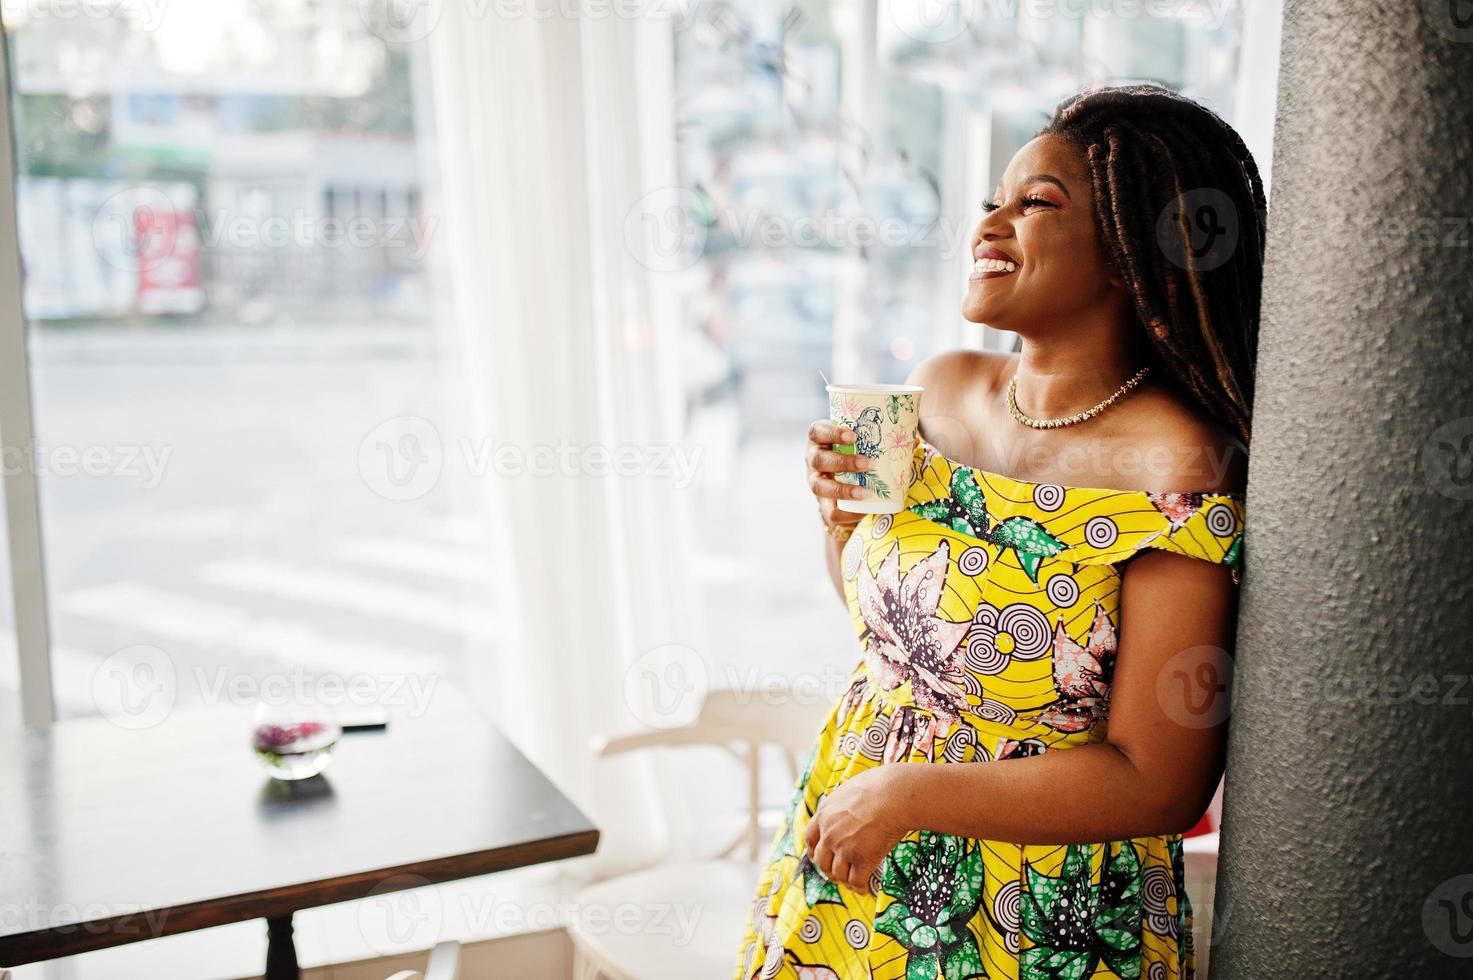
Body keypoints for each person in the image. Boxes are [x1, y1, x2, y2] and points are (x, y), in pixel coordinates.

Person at [732, 82, 1263, 980]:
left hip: (1035, 911)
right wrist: (843, 525)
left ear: (1130, 254)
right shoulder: (936, 391)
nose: (989, 226)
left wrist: (906, 793)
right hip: (848, 856)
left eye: (1036, 204)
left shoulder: (1176, 464)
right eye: (991, 203)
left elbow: (1158, 778)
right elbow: (898, 645)